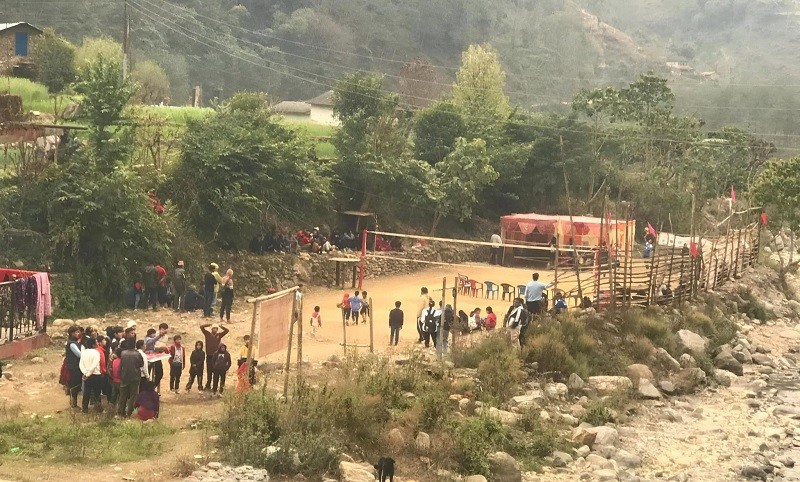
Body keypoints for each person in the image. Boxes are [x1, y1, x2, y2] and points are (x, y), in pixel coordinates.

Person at [117, 340, 144, 417]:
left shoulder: (123, 353)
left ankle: (121, 412)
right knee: (133, 395)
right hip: (135, 377)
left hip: (124, 376)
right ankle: (129, 412)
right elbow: (141, 364)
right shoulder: (137, 354)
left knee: (123, 395)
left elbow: (121, 365)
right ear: (134, 345)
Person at [200, 323, 229, 390]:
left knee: (215, 371)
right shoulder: (207, 334)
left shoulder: (219, 335)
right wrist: (208, 324)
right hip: (209, 355)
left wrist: (221, 326)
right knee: (209, 371)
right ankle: (208, 385)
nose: (215, 330)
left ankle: (214, 387)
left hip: (216, 356)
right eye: (214, 328)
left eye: (216, 329)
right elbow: (201, 327)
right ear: (211, 329)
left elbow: (227, 331)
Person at [79, 337, 102, 413]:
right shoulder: (96, 352)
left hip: (86, 375)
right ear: (93, 344)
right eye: (96, 342)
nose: (97, 343)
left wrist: (85, 373)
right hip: (95, 374)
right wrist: (88, 373)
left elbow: (81, 364)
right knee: (97, 392)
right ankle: (97, 408)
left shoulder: (84, 352)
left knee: (87, 392)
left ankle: (84, 408)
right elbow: (94, 365)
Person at [145, 323, 169, 393]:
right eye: (163, 329)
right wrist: (157, 348)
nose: (165, 330)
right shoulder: (154, 335)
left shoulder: (166, 337)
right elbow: (150, 344)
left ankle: (152, 387)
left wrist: (163, 349)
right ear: (160, 329)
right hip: (150, 357)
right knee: (147, 373)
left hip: (158, 357)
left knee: (159, 373)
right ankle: (145, 389)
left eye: (166, 329)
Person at [65, 325, 83, 409]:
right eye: (77, 332)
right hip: (74, 367)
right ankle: (73, 403)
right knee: (75, 384)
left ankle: (73, 402)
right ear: (72, 333)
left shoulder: (74, 342)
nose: (78, 333)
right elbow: (79, 354)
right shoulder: (72, 344)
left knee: (75, 383)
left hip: (74, 366)